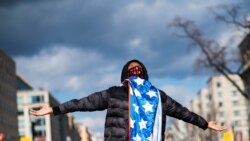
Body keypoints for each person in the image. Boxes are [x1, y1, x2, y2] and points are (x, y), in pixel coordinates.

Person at [30, 59, 226, 141]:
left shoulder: (114, 93)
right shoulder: (158, 96)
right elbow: (184, 113)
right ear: (146, 75)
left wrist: (54, 110)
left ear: (124, 76)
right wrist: (205, 123)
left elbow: (82, 103)